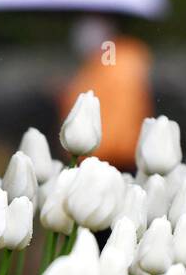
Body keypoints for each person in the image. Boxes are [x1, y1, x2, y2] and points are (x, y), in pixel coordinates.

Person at [59, 15, 153, 170]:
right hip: (100, 154)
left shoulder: (118, 63)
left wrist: (94, 150)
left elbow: (119, 114)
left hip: (112, 157)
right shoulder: (98, 64)